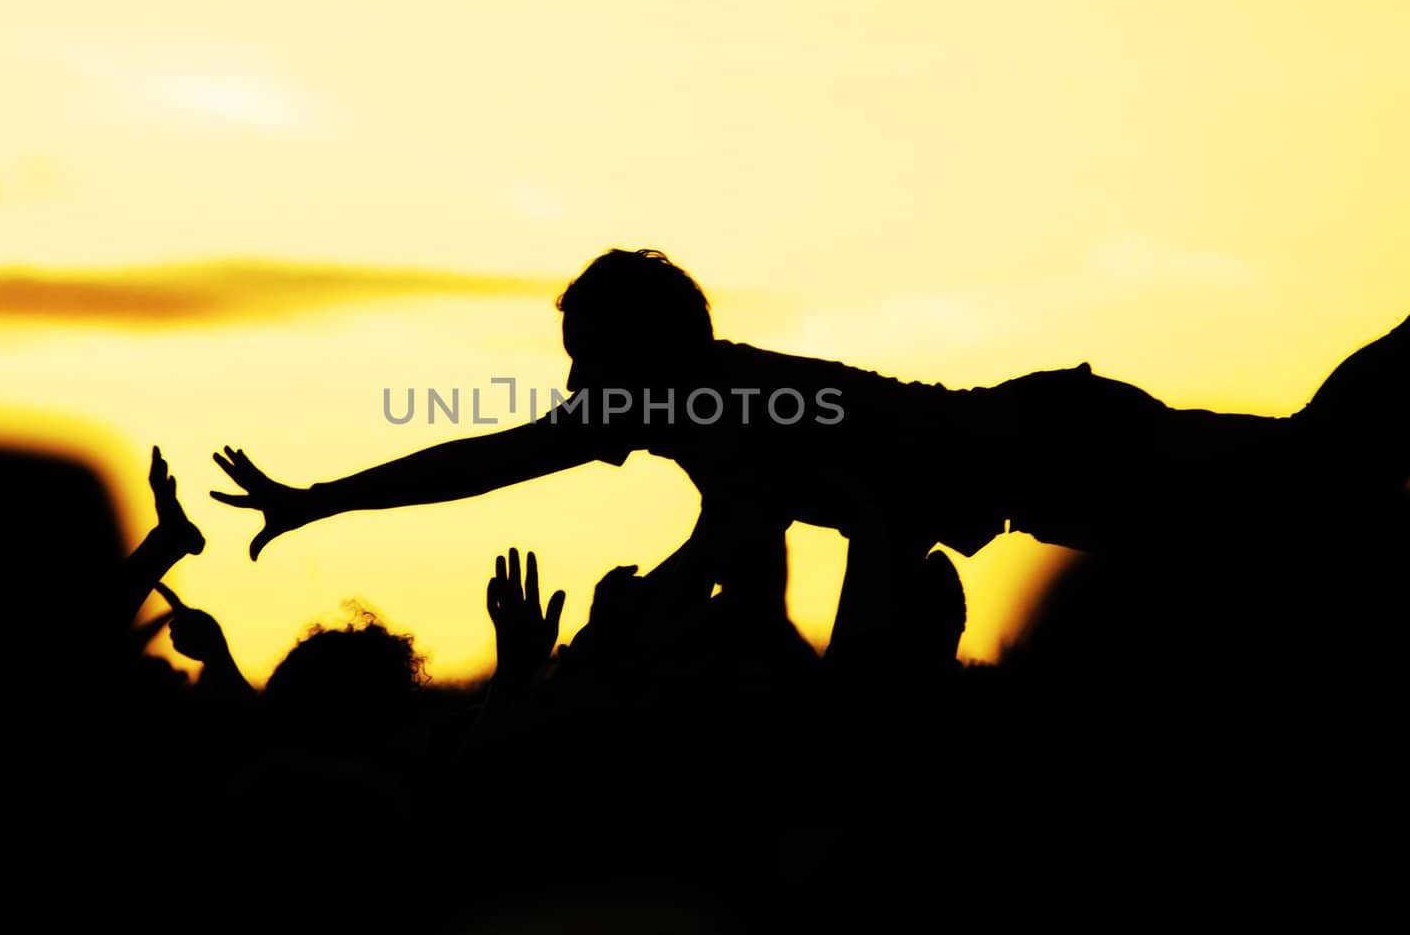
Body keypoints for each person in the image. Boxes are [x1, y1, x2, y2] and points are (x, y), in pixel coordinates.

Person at [211, 248, 1407, 658]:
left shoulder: (728, 408)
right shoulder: (675, 403)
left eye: (586, 353)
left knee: (1323, 474)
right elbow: (481, 458)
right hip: (1050, 465)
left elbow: (734, 534)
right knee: (1328, 495)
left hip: (1061, 445)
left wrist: (641, 612)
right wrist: (318, 497)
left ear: (644, 350)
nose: (573, 383)